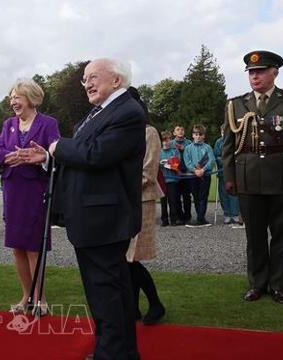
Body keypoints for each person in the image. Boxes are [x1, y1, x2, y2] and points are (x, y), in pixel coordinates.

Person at [18, 58, 143, 360]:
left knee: (107, 295)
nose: (86, 83)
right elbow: (82, 160)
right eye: (84, 78)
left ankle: (111, 354)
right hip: (93, 218)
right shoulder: (99, 112)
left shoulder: (126, 111)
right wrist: (48, 159)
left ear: (116, 80)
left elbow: (97, 155)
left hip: (104, 219)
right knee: (110, 293)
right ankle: (118, 351)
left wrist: (57, 147)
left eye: (93, 77)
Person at [222, 50, 283, 304]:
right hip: (248, 178)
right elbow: (228, 146)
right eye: (252, 72)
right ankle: (257, 284)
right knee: (254, 237)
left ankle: (278, 287)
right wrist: (229, 177)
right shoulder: (236, 105)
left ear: (275, 72)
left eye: (260, 71)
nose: (255, 76)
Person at [0, 79, 60, 315]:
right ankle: (25, 296)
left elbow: (55, 151)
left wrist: (41, 157)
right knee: (16, 247)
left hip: (35, 192)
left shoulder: (48, 123)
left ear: (31, 98)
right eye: (11, 97)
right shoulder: (8, 123)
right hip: (13, 189)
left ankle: (40, 299)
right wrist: (9, 156)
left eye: (17, 97)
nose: (13, 101)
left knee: (33, 247)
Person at [125, 87, 166, 326]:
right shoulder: (125, 133)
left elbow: (148, 172)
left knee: (131, 257)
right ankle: (134, 308)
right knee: (126, 258)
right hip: (124, 200)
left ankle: (155, 303)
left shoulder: (149, 132)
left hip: (142, 200)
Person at [184, 124, 216, 228]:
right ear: (193, 135)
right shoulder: (188, 148)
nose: (197, 136)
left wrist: (203, 169)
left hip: (205, 175)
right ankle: (199, 216)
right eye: (195, 134)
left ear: (203, 136)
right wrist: (195, 170)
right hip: (193, 176)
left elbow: (211, 160)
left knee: (203, 196)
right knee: (196, 196)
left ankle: (201, 218)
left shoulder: (208, 148)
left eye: (200, 135)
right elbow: (187, 162)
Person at [213, 124, 241, 225]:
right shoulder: (218, 142)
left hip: (234, 172)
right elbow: (216, 156)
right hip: (222, 172)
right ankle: (227, 214)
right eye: (223, 131)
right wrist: (224, 161)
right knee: (223, 194)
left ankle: (235, 214)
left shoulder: (236, 141)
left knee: (234, 194)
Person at [171, 125, 193, 224]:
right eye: (178, 129)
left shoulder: (189, 143)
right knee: (176, 196)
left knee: (187, 196)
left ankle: (187, 216)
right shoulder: (171, 144)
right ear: (174, 132)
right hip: (174, 173)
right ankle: (179, 216)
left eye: (182, 129)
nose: (180, 131)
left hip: (187, 173)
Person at [159, 131, 181, 226]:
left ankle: (174, 219)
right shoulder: (158, 152)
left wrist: (169, 164)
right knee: (163, 201)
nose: (166, 142)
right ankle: (164, 219)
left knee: (173, 200)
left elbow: (177, 163)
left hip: (172, 179)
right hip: (162, 180)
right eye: (164, 141)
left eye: (168, 140)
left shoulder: (174, 151)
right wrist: (160, 164)